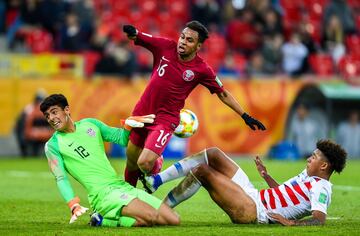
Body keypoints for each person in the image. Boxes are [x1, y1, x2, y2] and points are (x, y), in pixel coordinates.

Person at [122, 21, 266, 187]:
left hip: (165, 119)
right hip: (142, 112)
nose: (183, 41)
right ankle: (126, 200)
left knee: (144, 163)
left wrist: (245, 115)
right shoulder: (165, 46)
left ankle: (157, 163)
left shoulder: (202, 69)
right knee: (131, 162)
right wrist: (132, 31)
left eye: (189, 40)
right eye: (182, 37)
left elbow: (223, 93)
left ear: (198, 46)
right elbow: (138, 36)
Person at [40, 94, 180, 227]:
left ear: (66, 110)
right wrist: (73, 204)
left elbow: (121, 139)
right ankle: (103, 221)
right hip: (103, 194)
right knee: (151, 217)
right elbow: (60, 178)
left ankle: (100, 220)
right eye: (47, 116)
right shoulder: (53, 145)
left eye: (54, 112)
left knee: (174, 220)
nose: (51, 118)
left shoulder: (90, 124)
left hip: (122, 186)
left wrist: (128, 126)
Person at [143, 140, 347, 226]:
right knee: (213, 154)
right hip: (254, 195)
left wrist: (291, 223)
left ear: (324, 166)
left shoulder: (321, 187)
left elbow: (319, 219)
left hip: (253, 211)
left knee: (203, 172)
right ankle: (156, 181)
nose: (309, 159)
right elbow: (284, 196)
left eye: (314, 157)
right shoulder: (308, 176)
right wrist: (266, 176)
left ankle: (160, 210)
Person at [14, 90, 53, 156]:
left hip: (41, 133)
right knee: (26, 143)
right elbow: (22, 125)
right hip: (30, 133)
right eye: (39, 100)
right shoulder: (29, 109)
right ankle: (25, 155)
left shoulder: (49, 110)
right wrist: (26, 134)